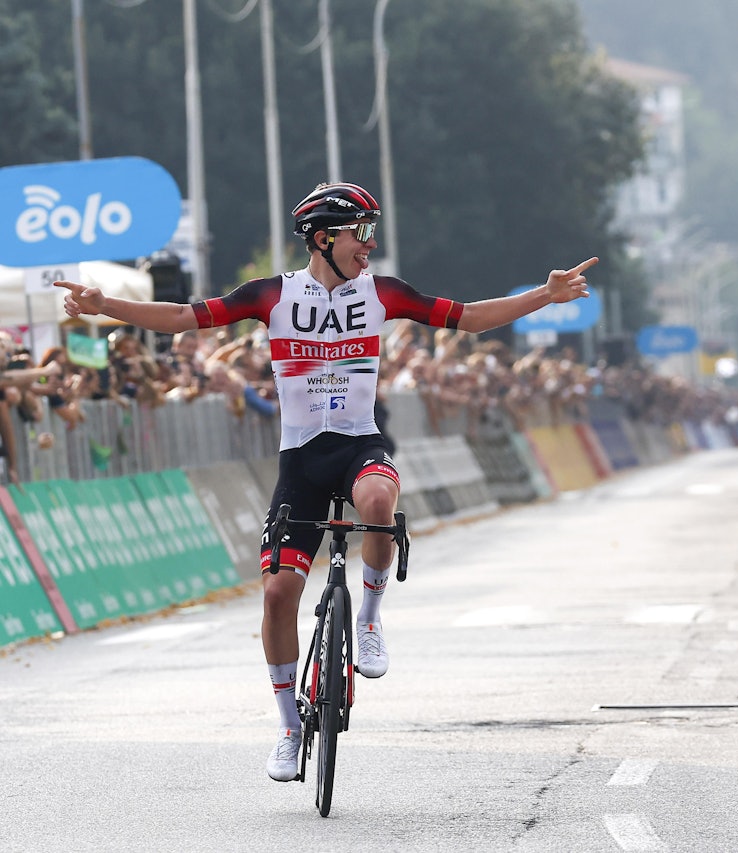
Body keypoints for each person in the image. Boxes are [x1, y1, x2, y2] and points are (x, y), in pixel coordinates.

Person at [56, 180, 597, 781]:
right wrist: (106, 306)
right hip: (301, 462)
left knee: (378, 499)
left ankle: (368, 618)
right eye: (359, 233)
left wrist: (543, 296)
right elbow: (185, 317)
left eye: (371, 232)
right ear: (321, 238)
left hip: (359, 444)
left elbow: (467, 319)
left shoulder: (383, 293)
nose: (369, 245)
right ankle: (289, 726)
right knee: (277, 595)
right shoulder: (271, 295)